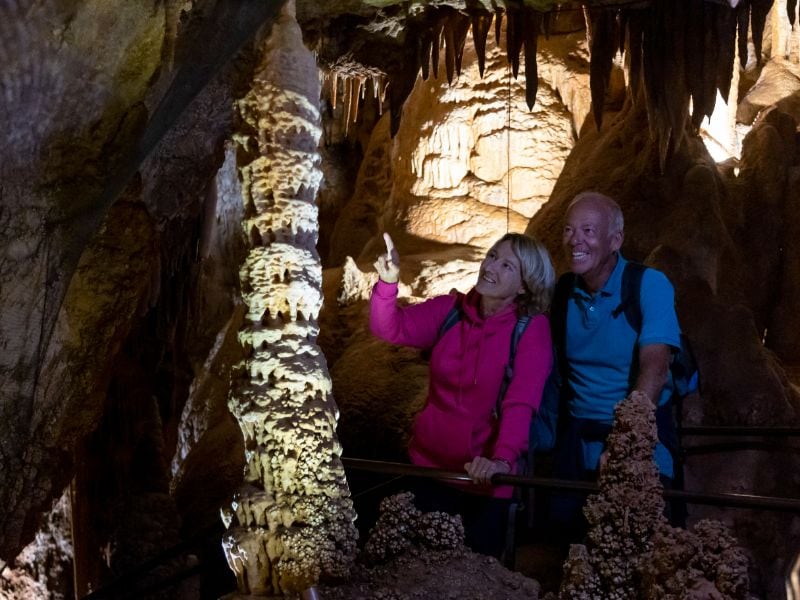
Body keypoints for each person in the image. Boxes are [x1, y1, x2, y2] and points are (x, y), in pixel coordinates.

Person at [370, 231, 555, 558]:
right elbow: (389, 328)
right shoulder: (450, 310)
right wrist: (387, 284)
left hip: (483, 483)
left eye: (507, 266)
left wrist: (500, 460)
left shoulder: (529, 330)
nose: (491, 267)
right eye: (493, 256)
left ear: (524, 286)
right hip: (427, 469)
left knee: (471, 579)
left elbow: (520, 404)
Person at [552, 191, 682, 539]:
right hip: (577, 441)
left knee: (635, 543)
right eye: (568, 230)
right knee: (574, 548)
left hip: (638, 438)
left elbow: (655, 368)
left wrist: (625, 445)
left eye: (589, 230)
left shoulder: (648, 285)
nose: (575, 239)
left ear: (615, 240)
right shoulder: (563, 292)